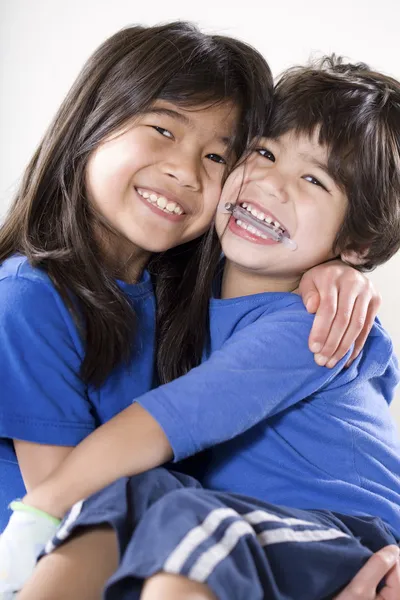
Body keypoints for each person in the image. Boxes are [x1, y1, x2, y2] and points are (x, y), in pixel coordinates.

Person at [5, 57, 400, 600]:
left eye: (313, 179)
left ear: (355, 245)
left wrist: (37, 516)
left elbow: (168, 420)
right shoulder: (181, 287)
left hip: (343, 536)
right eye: (262, 152)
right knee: (136, 496)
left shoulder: (311, 322)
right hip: (237, 533)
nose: (268, 182)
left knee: (183, 513)